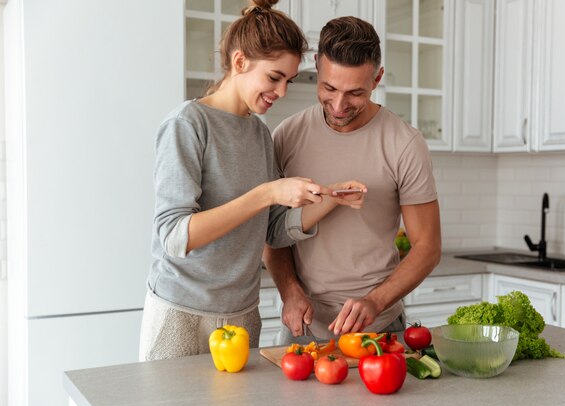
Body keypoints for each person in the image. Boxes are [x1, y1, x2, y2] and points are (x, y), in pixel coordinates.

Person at [139, 0, 366, 361]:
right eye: (274, 78)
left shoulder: (259, 135)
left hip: (243, 314)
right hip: (181, 313)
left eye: (288, 81)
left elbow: (272, 231)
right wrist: (266, 193)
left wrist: (331, 199)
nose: (282, 92)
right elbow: (174, 236)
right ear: (240, 62)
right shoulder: (188, 124)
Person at [263, 16, 442, 344]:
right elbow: (271, 233)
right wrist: (290, 292)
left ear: (378, 79)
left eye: (355, 93)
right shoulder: (286, 136)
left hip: (380, 327)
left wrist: (375, 301)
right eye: (329, 88)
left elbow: (427, 247)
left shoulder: (404, 144)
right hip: (302, 327)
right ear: (316, 65)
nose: (340, 105)